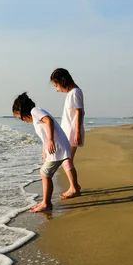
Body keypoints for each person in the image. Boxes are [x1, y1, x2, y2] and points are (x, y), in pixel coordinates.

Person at [12, 92, 78, 213]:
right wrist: (45, 154)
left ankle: (46, 203)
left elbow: (49, 121)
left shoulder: (35, 111)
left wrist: (51, 140)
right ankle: (49, 200)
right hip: (58, 147)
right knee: (45, 172)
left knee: (45, 174)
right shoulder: (36, 115)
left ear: (23, 112)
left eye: (20, 118)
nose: (23, 121)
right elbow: (44, 138)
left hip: (57, 147)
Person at [50, 68, 84, 199]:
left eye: (56, 85)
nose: (57, 89)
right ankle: (74, 186)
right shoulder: (73, 93)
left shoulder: (74, 92)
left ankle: (74, 188)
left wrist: (76, 132)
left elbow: (78, 112)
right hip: (70, 131)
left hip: (72, 131)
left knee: (66, 160)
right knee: (67, 159)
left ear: (63, 81)